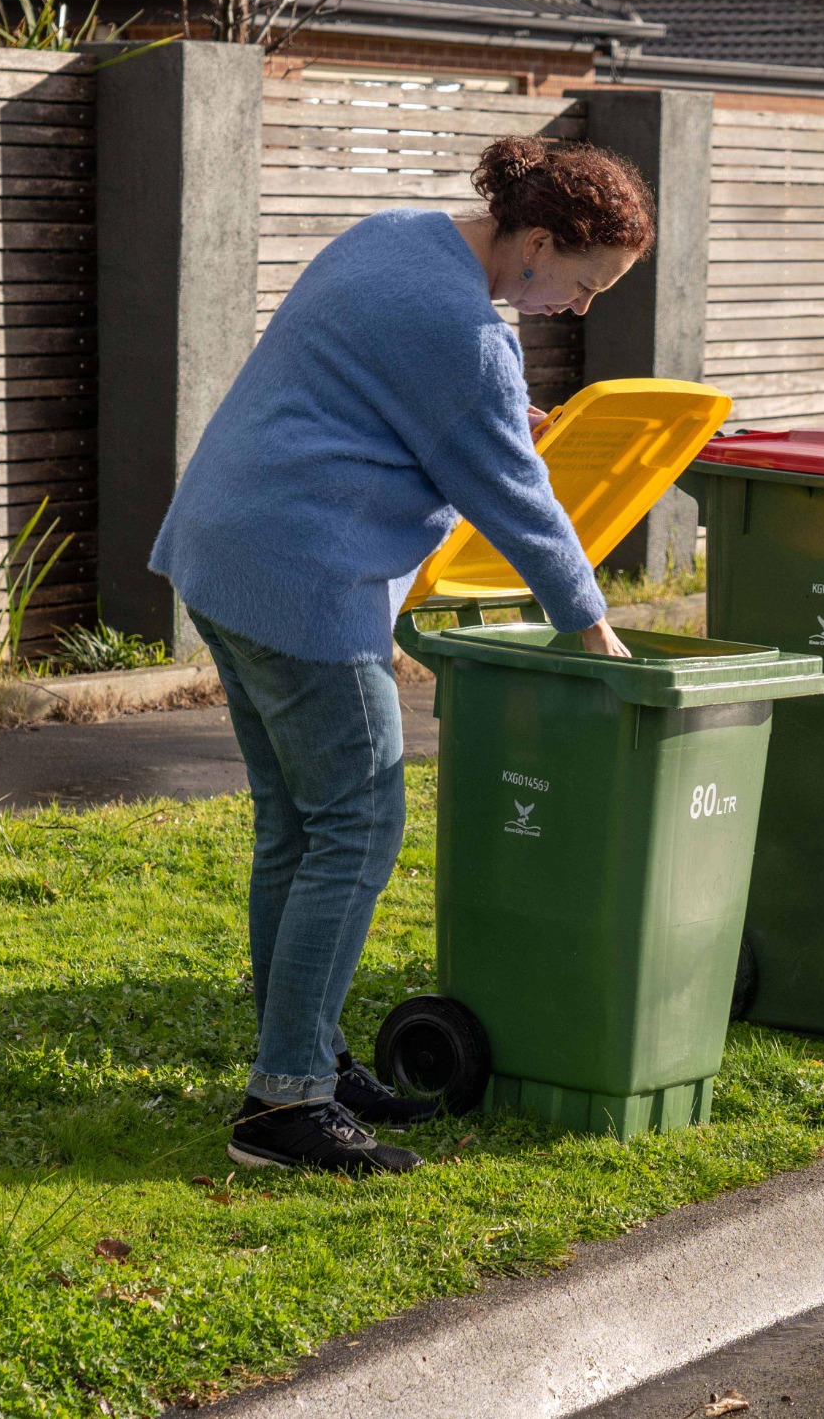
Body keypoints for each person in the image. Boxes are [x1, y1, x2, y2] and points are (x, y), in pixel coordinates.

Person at [149, 134, 654, 1176]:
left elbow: (365, 382)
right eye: (584, 283)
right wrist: (588, 620)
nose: (578, 307)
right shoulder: (466, 334)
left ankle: (307, 1059)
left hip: (222, 552)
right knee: (359, 824)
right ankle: (283, 1105)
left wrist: (496, 416)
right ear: (537, 241)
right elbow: (513, 496)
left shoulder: (395, 237)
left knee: (298, 826)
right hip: (305, 583)